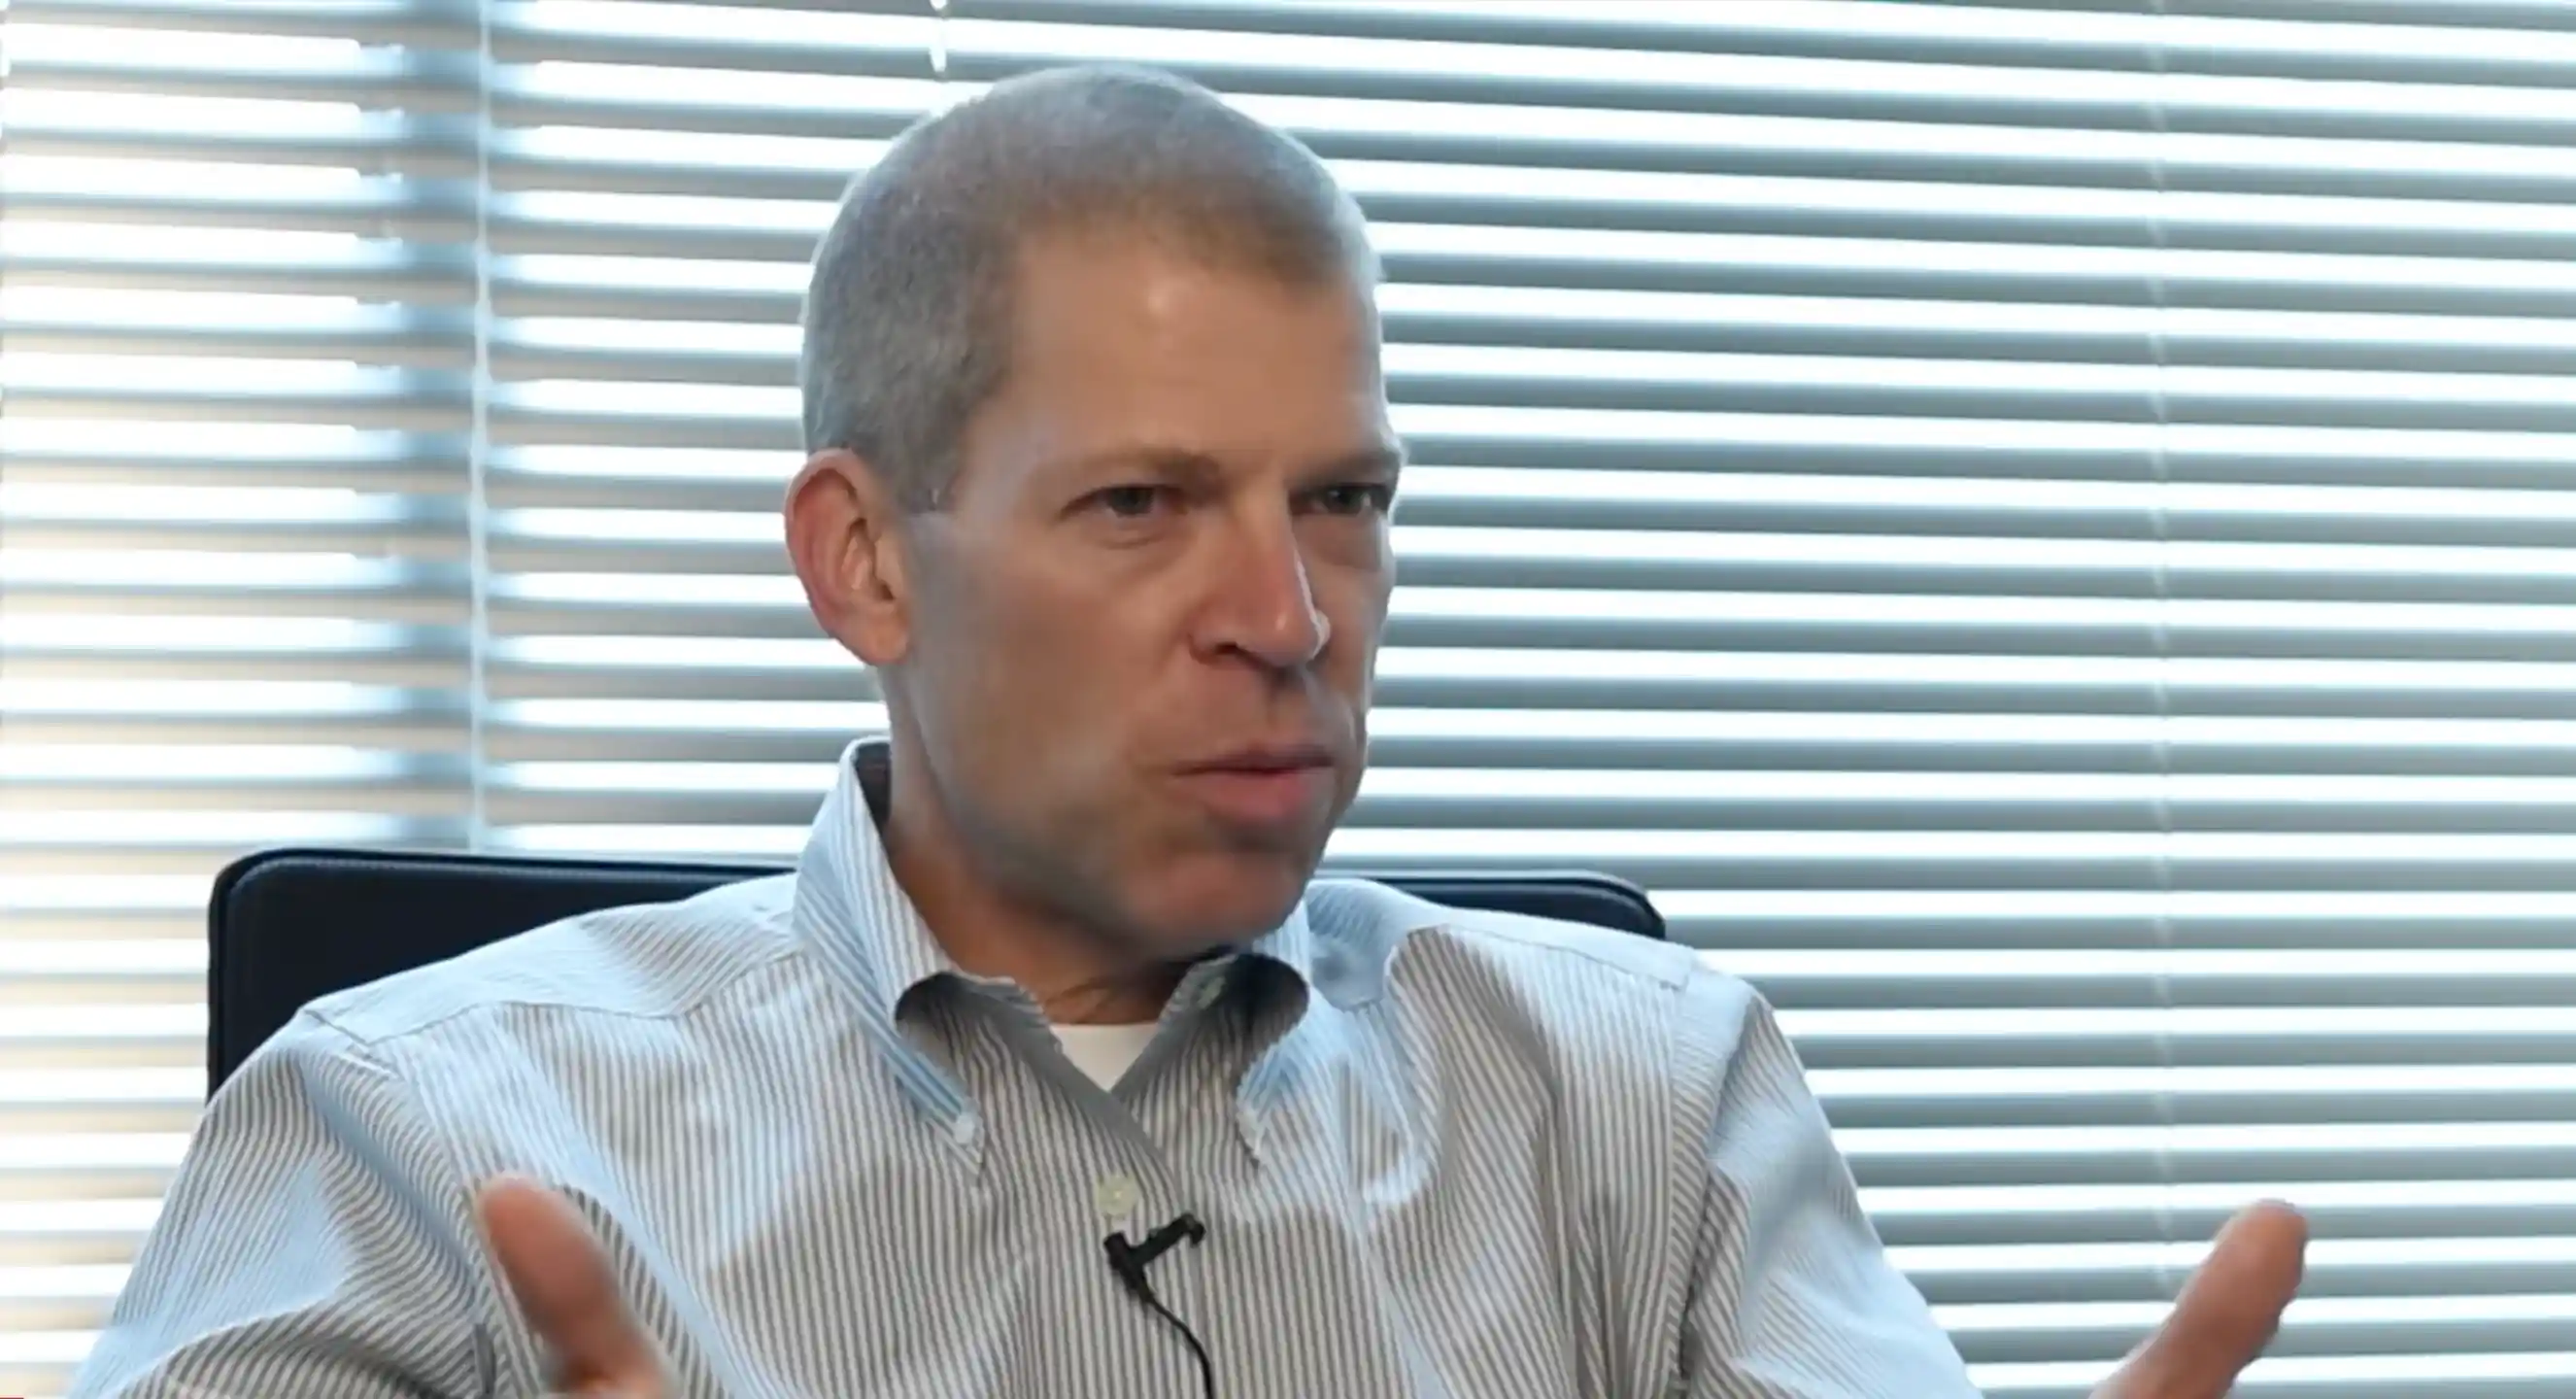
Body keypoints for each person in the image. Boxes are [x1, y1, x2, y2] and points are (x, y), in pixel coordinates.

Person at [74, 64, 2306, 1398]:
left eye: (1344, 502)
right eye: (1143, 506)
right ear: (863, 563)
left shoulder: (1650, 1104)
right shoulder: (408, 1135)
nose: (1289, 620)